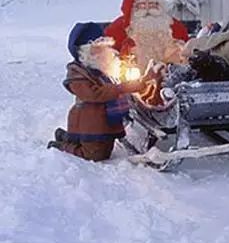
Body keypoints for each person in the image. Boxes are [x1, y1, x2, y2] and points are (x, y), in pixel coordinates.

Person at [48, 22, 152, 161]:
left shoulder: (103, 68)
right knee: (95, 155)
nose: (103, 52)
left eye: (104, 48)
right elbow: (94, 94)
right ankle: (61, 146)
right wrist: (123, 87)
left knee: (105, 151)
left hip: (106, 121)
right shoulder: (77, 76)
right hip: (89, 122)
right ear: (84, 52)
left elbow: (118, 80)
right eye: (96, 49)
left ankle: (67, 137)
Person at [104, 0, 189, 70]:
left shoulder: (176, 29)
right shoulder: (116, 30)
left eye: (152, 4)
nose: (147, 10)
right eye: (141, 5)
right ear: (133, 8)